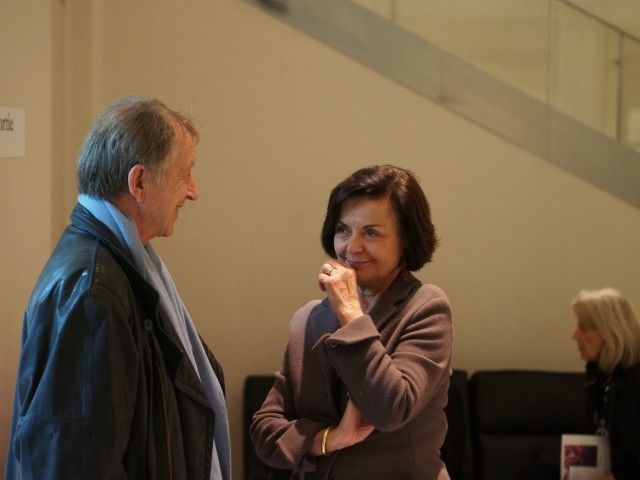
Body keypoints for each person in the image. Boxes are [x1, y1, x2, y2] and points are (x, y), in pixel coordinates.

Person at [4, 96, 231, 480]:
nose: (193, 191)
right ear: (139, 182)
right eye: (184, 174)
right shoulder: (92, 291)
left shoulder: (112, 267)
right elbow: (76, 466)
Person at [250, 165, 453, 479]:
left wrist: (350, 313)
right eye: (343, 230)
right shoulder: (308, 318)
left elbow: (391, 409)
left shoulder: (426, 306)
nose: (351, 247)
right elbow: (264, 431)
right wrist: (329, 439)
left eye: (371, 233)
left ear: (406, 240)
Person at [571, 288, 640, 480]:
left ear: (610, 331)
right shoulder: (601, 378)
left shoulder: (635, 380)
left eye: (583, 328)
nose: (574, 336)